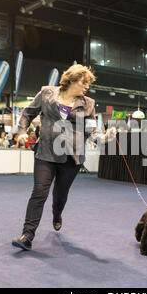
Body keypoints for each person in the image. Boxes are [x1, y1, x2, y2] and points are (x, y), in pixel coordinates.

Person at [11, 64, 116, 251]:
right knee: (39, 192)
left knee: (60, 195)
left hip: (71, 157)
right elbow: (28, 113)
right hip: (46, 153)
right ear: (72, 80)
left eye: (88, 84)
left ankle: (57, 214)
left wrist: (105, 138)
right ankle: (27, 235)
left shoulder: (88, 103)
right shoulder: (46, 93)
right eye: (84, 82)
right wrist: (21, 132)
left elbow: (92, 130)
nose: (87, 87)